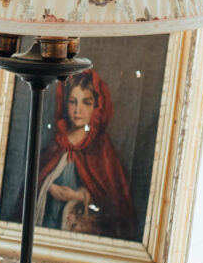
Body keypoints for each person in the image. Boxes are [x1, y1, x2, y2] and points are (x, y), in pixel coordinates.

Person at [37, 69, 138, 238]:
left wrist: (78, 196)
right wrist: (48, 187)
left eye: (86, 102)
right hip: (49, 223)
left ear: (96, 107)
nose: (78, 110)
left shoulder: (101, 148)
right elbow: (36, 181)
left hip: (80, 231)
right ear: (65, 104)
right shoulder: (56, 145)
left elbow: (113, 198)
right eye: (72, 102)